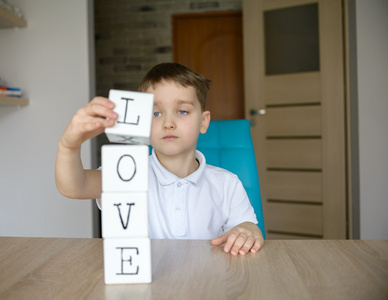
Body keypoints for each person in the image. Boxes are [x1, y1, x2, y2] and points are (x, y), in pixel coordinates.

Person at [55, 62, 264, 256]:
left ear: (203, 121)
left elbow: (247, 228)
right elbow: (73, 187)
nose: (168, 123)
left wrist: (248, 230)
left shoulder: (227, 183)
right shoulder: (126, 173)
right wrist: (68, 145)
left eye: (182, 111)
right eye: (156, 114)